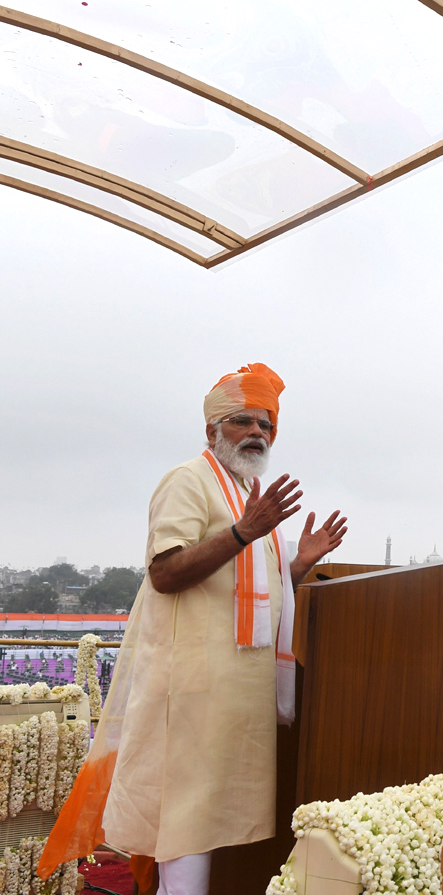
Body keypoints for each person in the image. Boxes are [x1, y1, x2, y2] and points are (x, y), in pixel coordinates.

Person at [41, 364, 348, 895]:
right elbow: (164, 572)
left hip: (237, 698)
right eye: (242, 422)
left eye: (266, 425)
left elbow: (259, 592)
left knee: (220, 821)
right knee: (187, 822)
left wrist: (297, 564)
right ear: (212, 431)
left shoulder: (250, 493)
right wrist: (243, 532)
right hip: (189, 693)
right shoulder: (189, 480)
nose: (257, 433)